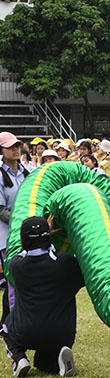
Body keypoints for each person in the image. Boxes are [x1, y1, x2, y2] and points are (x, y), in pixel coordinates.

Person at [1, 215, 83, 377]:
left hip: (27, 333)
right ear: (49, 236)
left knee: (5, 326)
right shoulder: (66, 263)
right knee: (44, 361)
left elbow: (22, 252)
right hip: (62, 333)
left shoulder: (16, 265)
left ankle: (19, 358)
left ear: (21, 239)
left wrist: (43, 235)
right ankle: (59, 359)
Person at [1, 132, 30, 326]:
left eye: (18, 145)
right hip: (7, 235)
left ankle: (14, 320)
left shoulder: (28, 172)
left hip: (29, 235)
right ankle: (13, 324)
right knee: (13, 282)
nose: (15, 149)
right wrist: (23, 221)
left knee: (27, 280)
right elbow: (0, 210)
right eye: (10, 146)